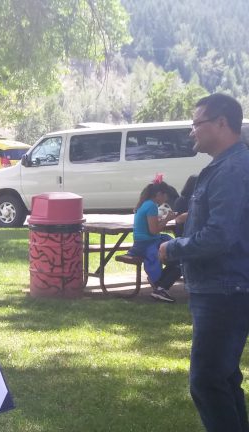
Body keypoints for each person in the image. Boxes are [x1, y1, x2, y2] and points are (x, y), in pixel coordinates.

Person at [160, 93, 249, 432]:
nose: (192, 131)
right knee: (223, 379)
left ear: (222, 124)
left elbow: (220, 236)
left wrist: (174, 249)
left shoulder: (231, 169)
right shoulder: (224, 167)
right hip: (220, 288)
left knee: (207, 382)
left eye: (197, 124)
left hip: (224, 291)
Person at [128, 178, 180, 302]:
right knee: (180, 259)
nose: (166, 199)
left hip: (143, 243)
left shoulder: (145, 204)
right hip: (147, 244)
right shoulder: (151, 206)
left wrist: (163, 219)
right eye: (165, 195)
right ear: (159, 194)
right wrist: (167, 219)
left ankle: (160, 285)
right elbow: (154, 230)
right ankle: (161, 287)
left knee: (176, 255)